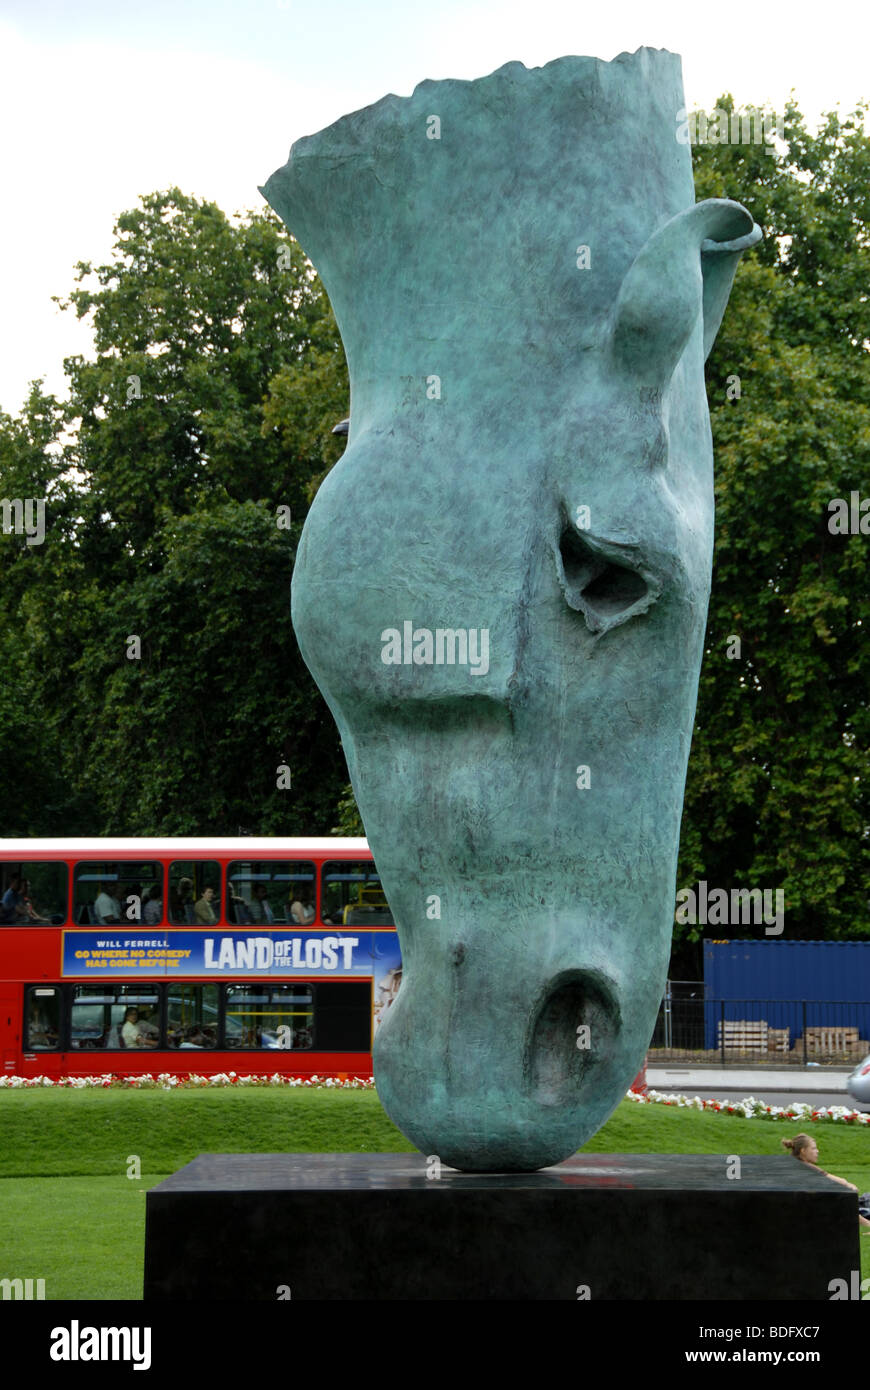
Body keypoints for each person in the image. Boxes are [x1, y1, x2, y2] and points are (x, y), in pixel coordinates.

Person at [782, 1133, 870, 1229]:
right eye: (813, 1148)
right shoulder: (807, 1168)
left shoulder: (794, 1164)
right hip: (810, 1209)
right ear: (803, 1151)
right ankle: (865, 1223)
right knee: (846, 1195)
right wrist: (850, 1187)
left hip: (800, 1206)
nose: (817, 1151)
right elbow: (842, 1182)